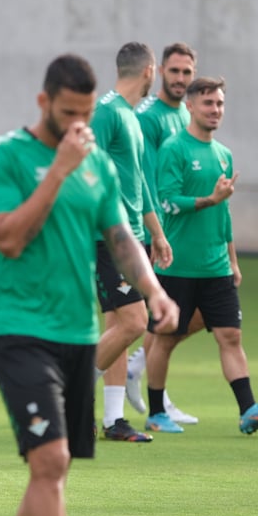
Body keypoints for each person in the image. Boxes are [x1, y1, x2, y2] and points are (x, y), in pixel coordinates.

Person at [0, 54, 178, 516]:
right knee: (51, 462)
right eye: (69, 113)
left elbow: (120, 236)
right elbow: (9, 238)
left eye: (87, 115)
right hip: (20, 329)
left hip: (76, 332)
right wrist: (58, 171)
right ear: (44, 103)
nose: (79, 125)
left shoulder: (97, 163)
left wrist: (153, 291)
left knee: (52, 469)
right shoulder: (5, 155)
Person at [145, 76, 258, 435]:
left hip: (216, 268)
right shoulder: (174, 149)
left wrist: (233, 260)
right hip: (177, 266)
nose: (215, 110)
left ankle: (249, 410)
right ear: (190, 107)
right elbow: (167, 201)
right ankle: (156, 412)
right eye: (208, 103)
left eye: (220, 103)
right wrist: (209, 199)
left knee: (230, 336)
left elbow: (223, 213)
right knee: (164, 339)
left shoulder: (224, 154)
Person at [88, 41, 171, 442]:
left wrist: (157, 233)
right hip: (111, 239)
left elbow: (140, 183)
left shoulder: (131, 116)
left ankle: (113, 420)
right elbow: (86, 170)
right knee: (136, 322)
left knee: (118, 326)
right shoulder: (106, 112)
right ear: (149, 71)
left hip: (134, 240)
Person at [130, 42, 203, 427]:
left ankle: (141, 368)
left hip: (180, 231)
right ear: (160, 72)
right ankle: (145, 389)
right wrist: (155, 231)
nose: (180, 78)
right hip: (154, 229)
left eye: (186, 72)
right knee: (159, 312)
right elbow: (143, 176)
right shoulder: (148, 117)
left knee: (200, 312)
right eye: (174, 71)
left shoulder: (186, 114)